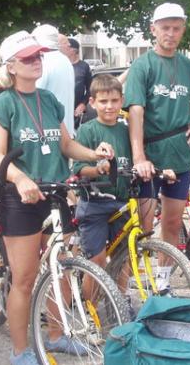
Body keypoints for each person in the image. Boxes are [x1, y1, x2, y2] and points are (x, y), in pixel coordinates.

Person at [0, 31, 113, 365]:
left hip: (55, 193)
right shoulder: (3, 104)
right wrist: (20, 178)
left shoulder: (49, 100)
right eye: (28, 58)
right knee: (25, 279)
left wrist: (94, 155)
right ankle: (19, 351)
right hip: (22, 198)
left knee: (63, 268)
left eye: (38, 55)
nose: (36, 61)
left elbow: (66, 145)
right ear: (11, 66)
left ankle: (57, 337)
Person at [123, 2, 190, 248]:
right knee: (144, 226)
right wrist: (139, 157)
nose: (171, 33)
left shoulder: (187, 65)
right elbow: (135, 112)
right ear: (154, 29)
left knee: (172, 223)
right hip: (151, 153)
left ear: (183, 30)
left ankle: (164, 272)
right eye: (165, 28)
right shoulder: (143, 65)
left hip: (180, 153)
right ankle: (137, 270)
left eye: (176, 28)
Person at [73, 74, 131, 270]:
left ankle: (120, 292)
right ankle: (91, 292)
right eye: (103, 101)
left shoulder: (127, 130)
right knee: (96, 264)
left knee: (124, 260)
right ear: (92, 102)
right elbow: (79, 169)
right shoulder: (87, 130)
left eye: (114, 101)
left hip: (122, 202)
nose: (109, 106)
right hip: (94, 204)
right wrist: (98, 169)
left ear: (122, 101)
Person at [33, 25, 76, 137]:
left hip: (50, 133)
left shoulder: (44, 62)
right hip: (67, 131)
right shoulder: (65, 60)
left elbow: (33, 96)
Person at [59, 36, 92, 129]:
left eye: (66, 46)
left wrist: (83, 104)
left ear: (73, 50)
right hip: (61, 109)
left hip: (76, 112)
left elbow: (91, 88)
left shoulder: (84, 66)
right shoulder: (60, 66)